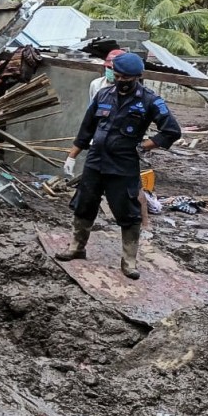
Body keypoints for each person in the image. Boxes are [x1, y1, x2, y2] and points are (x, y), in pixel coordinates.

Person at [58, 53, 181, 279]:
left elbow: (172, 131)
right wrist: (72, 156)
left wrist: (145, 146)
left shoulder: (150, 101)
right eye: (117, 75)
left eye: (125, 77)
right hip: (95, 160)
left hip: (123, 165)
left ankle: (129, 261)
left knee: (128, 212)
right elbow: (86, 128)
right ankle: (76, 247)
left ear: (136, 77)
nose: (119, 80)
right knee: (83, 204)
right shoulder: (103, 94)